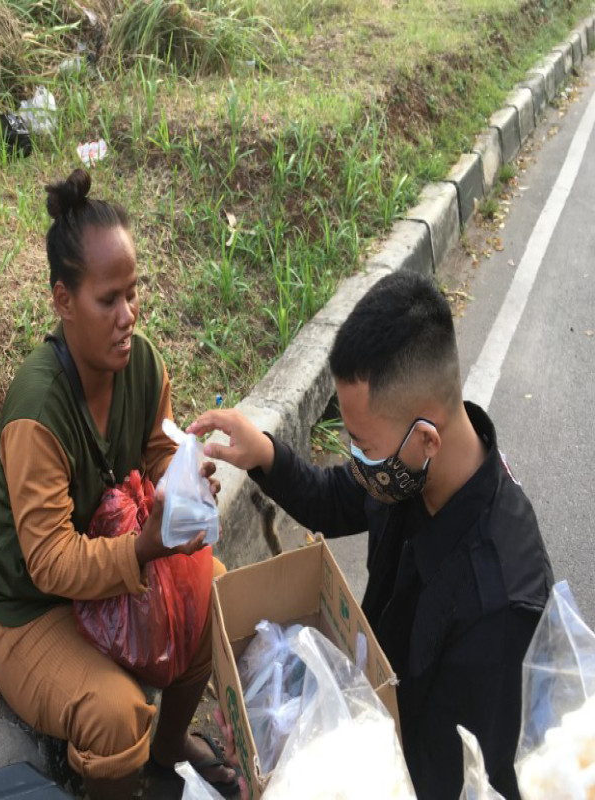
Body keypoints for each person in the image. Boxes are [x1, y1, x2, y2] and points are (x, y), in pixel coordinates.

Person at [189, 271, 553, 800]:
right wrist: (265, 453)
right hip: (366, 726)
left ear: (426, 436)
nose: (354, 458)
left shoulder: (498, 605)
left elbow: (457, 780)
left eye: (360, 441)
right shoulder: (410, 471)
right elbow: (339, 496)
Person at [0, 169, 238, 799]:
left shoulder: (141, 363)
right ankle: (119, 778)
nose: (127, 315)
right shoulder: (38, 411)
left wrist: (184, 475)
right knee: (116, 714)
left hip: (105, 574)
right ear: (63, 300)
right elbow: (49, 563)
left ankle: (169, 747)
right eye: (108, 299)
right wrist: (145, 548)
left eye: (132, 293)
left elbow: (152, 451)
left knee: (216, 598)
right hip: (29, 611)